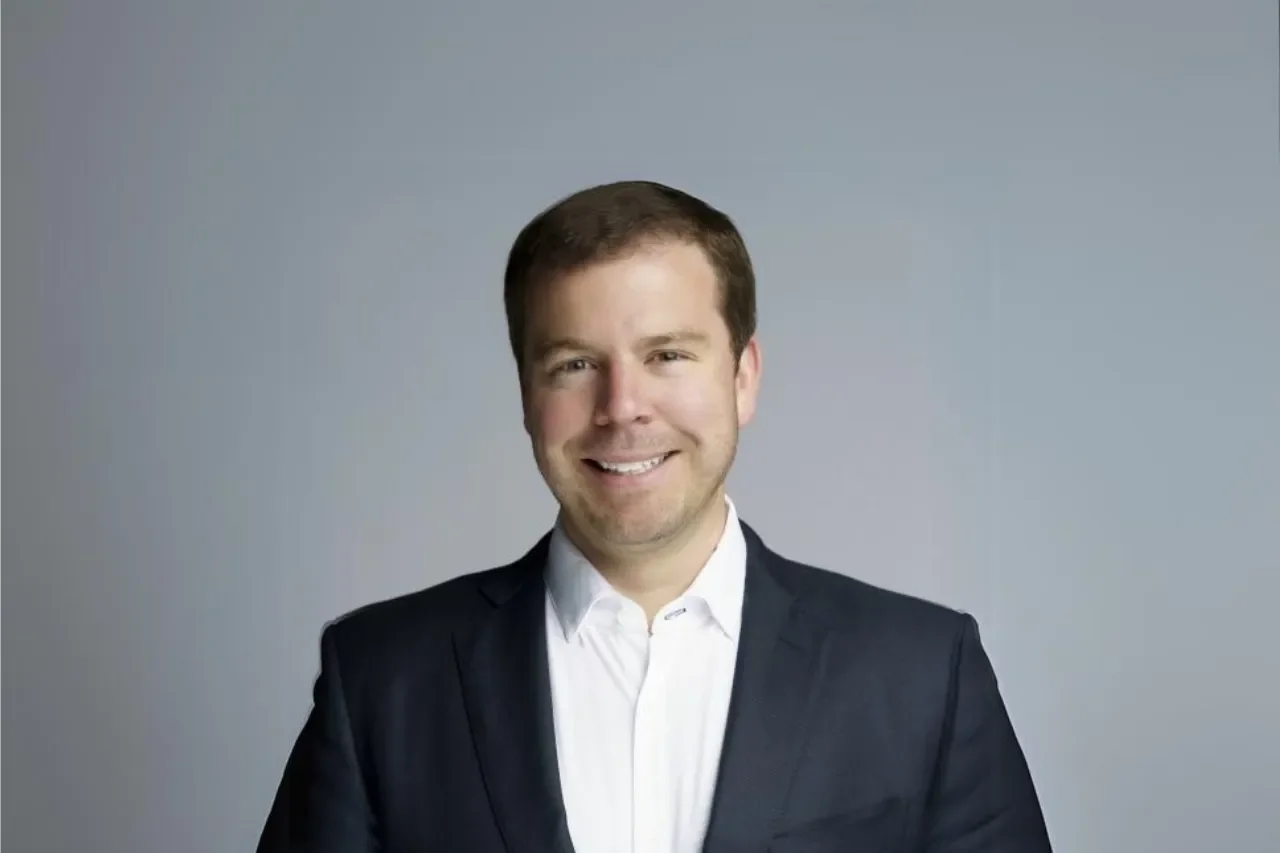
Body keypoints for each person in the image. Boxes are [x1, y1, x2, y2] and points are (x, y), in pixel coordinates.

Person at [256, 180, 1053, 852]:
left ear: (743, 377)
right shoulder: (380, 679)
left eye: (667, 354)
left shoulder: (921, 674)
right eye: (574, 364)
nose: (622, 408)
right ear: (527, 395)